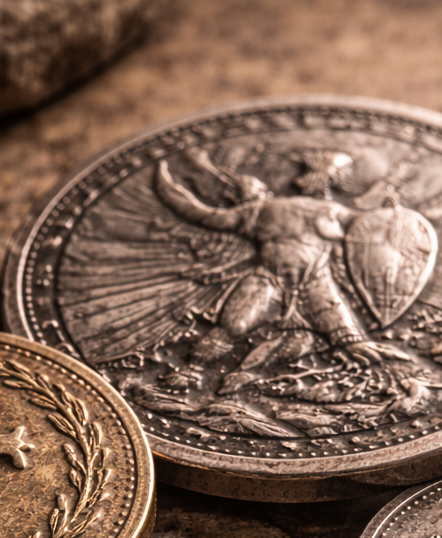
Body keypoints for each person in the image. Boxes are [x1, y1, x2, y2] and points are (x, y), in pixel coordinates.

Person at [152, 149, 388, 393]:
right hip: (272, 279)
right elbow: (376, 226)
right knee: (234, 325)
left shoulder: (273, 209)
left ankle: (233, 374)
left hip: (314, 282)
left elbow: (203, 214)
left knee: (344, 337)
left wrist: (167, 187)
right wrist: (389, 212)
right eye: (342, 174)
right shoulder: (328, 214)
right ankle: (193, 371)